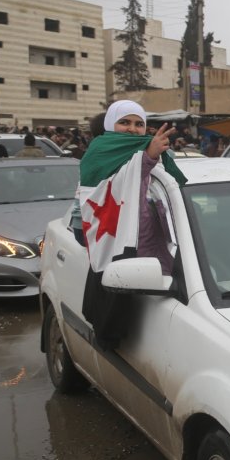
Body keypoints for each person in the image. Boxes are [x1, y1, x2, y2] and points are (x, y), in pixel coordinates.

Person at [77, 100, 186, 350]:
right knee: (113, 308)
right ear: (109, 124)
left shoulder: (142, 151)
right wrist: (148, 156)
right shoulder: (101, 149)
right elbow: (120, 182)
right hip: (119, 239)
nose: (132, 129)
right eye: (124, 122)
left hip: (150, 241)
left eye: (139, 124)